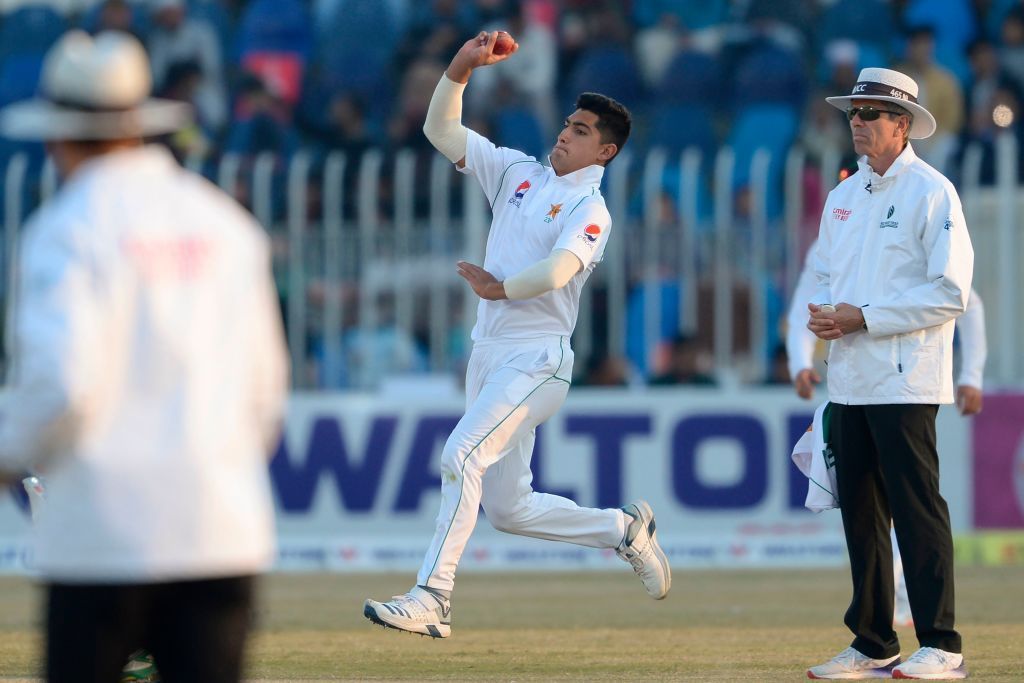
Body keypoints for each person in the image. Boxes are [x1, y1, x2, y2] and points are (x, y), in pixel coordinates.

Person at [0, 31, 289, 683]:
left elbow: (60, 383)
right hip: (218, 528)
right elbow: (265, 392)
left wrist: (9, 452)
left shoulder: (66, 230)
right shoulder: (224, 224)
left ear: (55, 135)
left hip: (101, 535)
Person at [363, 30, 670, 639]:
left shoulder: (591, 211)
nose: (565, 132)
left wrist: (501, 289)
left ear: (605, 152)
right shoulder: (515, 173)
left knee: (460, 455)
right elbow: (440, 133)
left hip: (540, 359)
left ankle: (434, 596)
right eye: (567, 122)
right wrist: (460, 66)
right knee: (509, 508)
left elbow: (558, 271)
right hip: (490, 353)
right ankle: (622, 529)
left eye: (582, 131)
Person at [803, 67, 974, 680]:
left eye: (871, 113)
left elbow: (951, 292)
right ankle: (874, 641)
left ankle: (943, 642)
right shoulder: (842, 197)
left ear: (903, 125)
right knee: (861, 513)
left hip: (905, 377)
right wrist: (823, 316)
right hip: (849, 377)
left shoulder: (933, 191)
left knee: (917, 507)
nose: (858, 123)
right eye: (853, 113)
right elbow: (824, 274)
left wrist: (864, 318)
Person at [786, 240, 988, 630]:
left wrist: (971, 374)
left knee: (908, 501)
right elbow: (806, 306)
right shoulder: (836, 231)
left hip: (905, 383)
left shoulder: (916, 218)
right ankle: (880, 623)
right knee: (868, 505)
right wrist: (799, 361)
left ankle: (924, 623)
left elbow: (965, 300)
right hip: (852, 383)